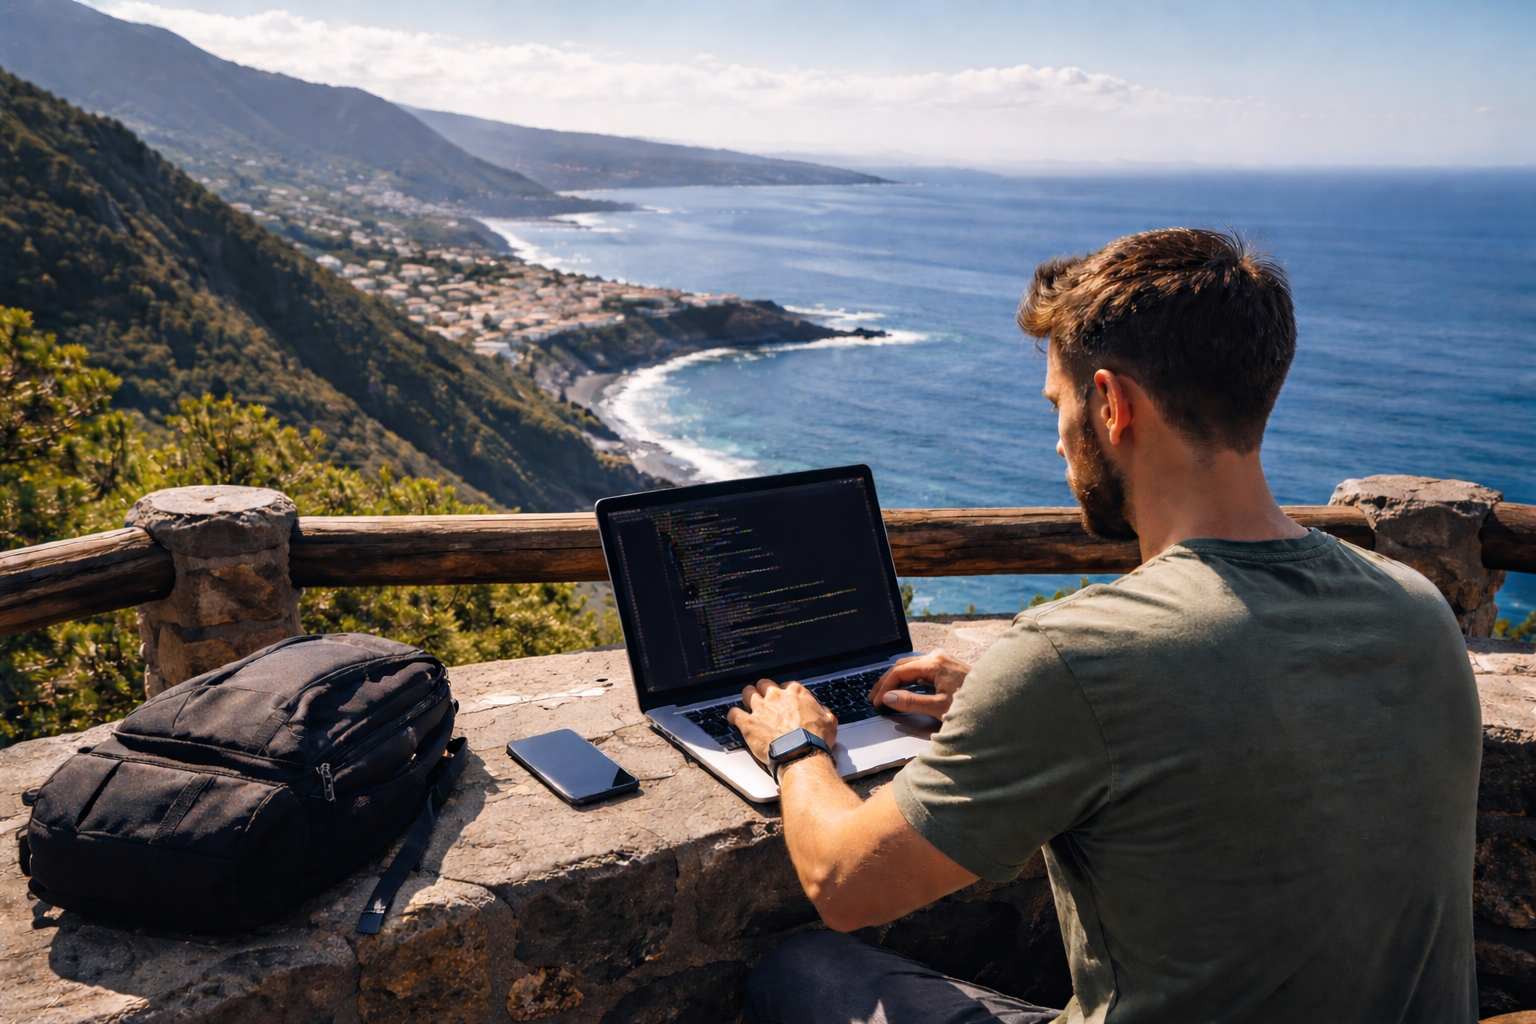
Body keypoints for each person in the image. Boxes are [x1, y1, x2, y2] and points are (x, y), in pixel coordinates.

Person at [730, 228, 1481, 1024]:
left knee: (803, 969)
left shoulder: (1076, 656)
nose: (1056, 436)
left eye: (1060, 404)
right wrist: (1005, 702)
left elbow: (846, 885)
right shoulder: (1415, 607)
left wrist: (797, 744)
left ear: (1111, 405)